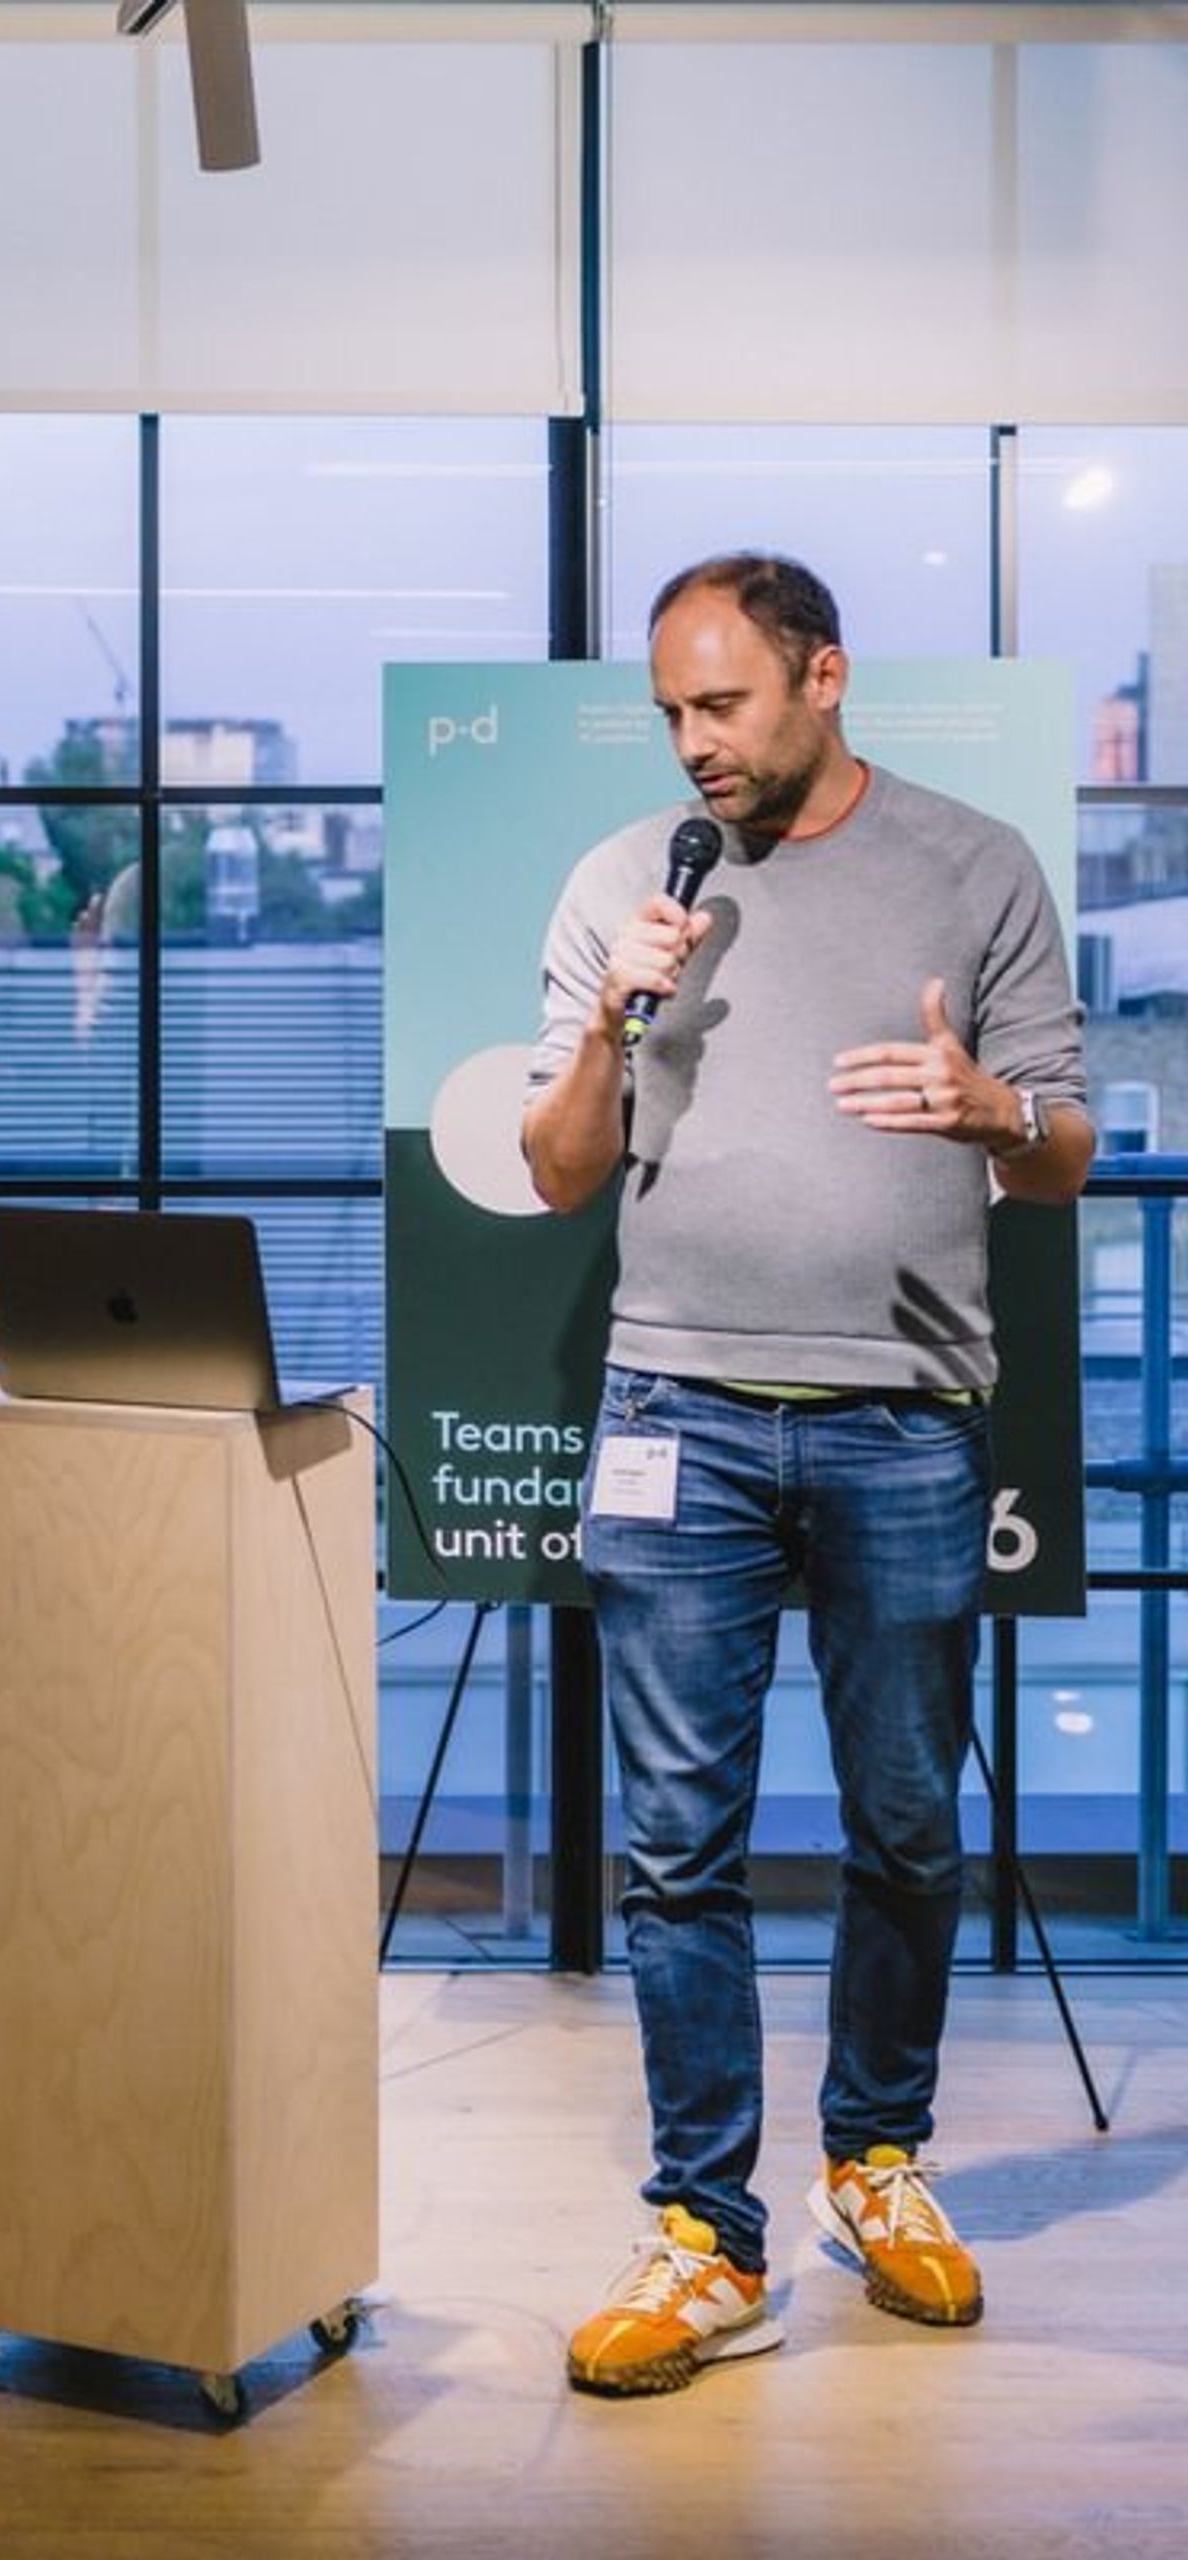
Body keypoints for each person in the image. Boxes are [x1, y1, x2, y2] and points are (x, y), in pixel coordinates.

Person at [520, 553, 1089, 2399]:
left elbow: (1063, 1147)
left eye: (726, 706)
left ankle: (877, 2159)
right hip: (673, 1411)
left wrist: (998, 1113)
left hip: (905, 1416)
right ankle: (704, 2233)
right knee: (675, 1848)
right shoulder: (632, 885)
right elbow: (550, 1170)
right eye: (673, 712)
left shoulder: (975, 862)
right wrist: (620, 1015)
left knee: (906, 1826)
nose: (696, 744)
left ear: (823, 678)